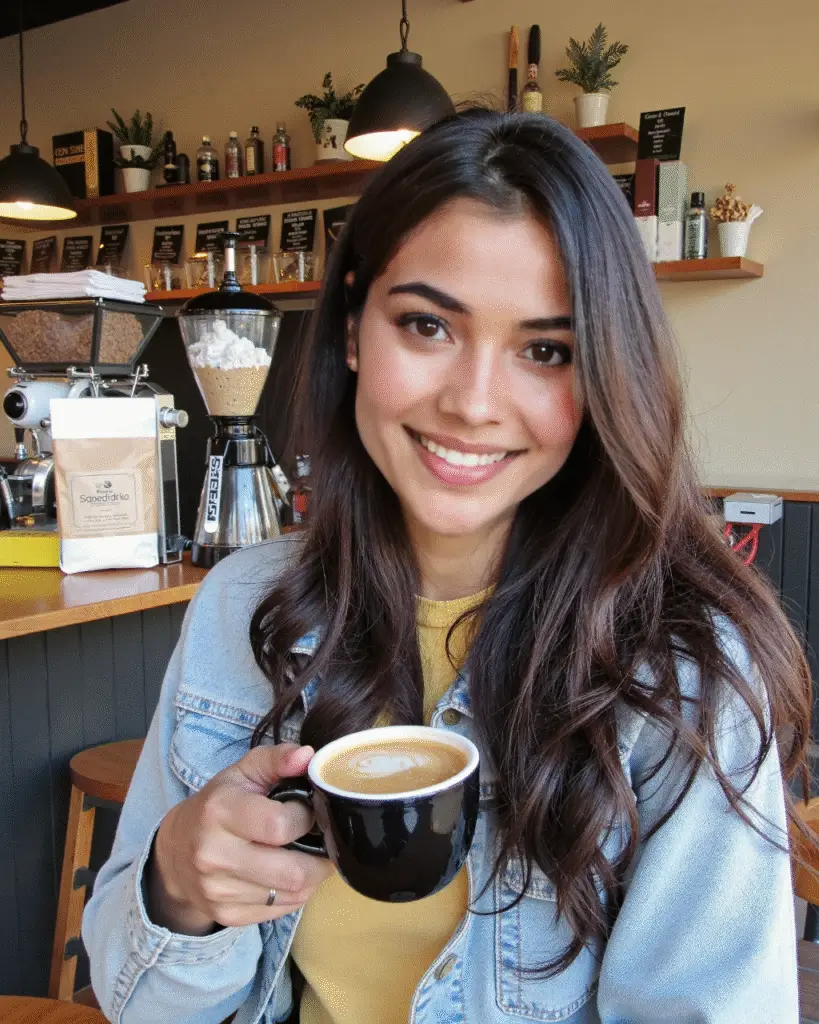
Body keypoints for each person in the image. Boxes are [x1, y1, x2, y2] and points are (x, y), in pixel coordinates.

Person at [83, 109, 811, 1024]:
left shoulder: (682, 673)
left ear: (605, 375)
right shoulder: (242, 605)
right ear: (354, 328)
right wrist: (181, 887)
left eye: (546, 351)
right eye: (427, 325)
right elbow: (144, 1005)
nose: (472, 403)